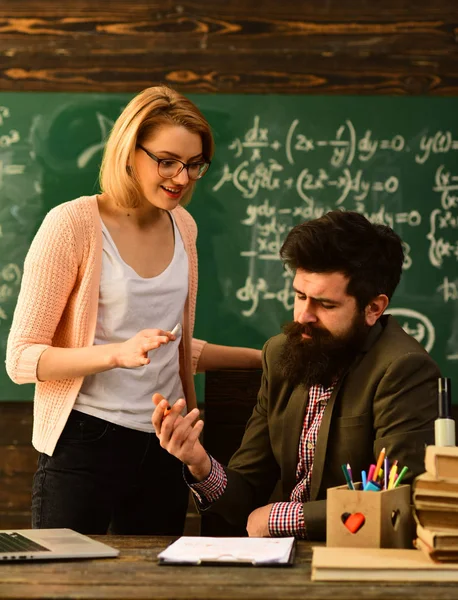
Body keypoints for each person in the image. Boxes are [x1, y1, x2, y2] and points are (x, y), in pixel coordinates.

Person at [6, 85, 261, 536]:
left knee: (151, 584)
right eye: (166, 161)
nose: (181, 178)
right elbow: (23, 359)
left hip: (166, 443)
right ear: (129, 151)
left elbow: (172, 347)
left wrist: (264, 358)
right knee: (63, 585)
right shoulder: (72, 224)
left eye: (194, 165)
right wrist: (115, 354)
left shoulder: (184, 226)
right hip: (84, 441)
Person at [152, 210, 440, 541]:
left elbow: (398, 498)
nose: (304, 315)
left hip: (355, 555)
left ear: (373, 308)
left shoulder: (404, 369)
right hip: (283, 559)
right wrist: (200, 463)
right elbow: (246, 488)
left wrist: (286, 517)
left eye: (326, 305)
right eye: (299, 295)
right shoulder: (281, 354)